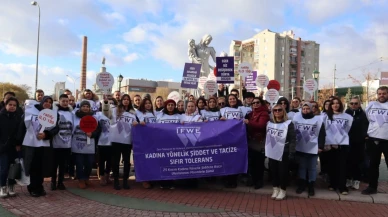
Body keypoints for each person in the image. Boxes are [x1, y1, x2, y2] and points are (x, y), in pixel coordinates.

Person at [18, 96, 58, 197]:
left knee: (42, 167)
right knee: (33, 166)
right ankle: (32, 188)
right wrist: (18, 142)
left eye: (50, 102)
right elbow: (21, 127)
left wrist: (46, 134)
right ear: (42, 102)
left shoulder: (53, 114)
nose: (48, 103)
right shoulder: (30, 111)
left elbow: (56, 129)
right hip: (30, 144)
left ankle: (39, 187)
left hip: (44, 145)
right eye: (46, 101)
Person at [294, 102, 325, 196]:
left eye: (307, 109)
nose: (305, 110)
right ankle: (302, 185)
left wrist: (320, 146)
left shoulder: (318, 119)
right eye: (303, 109)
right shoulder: (297, 119)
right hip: (301, 147)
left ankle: (311, 185)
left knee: (312, 168)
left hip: (313, 147)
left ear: (311, 109)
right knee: (302, 167)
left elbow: (322, 134)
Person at [323, 97, 353, 195]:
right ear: (330, 105)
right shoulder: (325, 116)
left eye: (337, 103)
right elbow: (323, 130)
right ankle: (332, 184)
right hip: (329, 145)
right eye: (333, 103)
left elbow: (347, 129)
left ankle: (342, 187)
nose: (335, 105)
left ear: (340, 105)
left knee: (342, 166)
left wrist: (339, 140)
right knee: (331, 166)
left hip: (342, 144)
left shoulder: (348, 117)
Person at [265, 104, 296, 200]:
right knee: (273, 171)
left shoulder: (289, 123)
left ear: (283, 111)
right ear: (273, 112)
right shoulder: (269, 123)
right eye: (275, 110)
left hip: (284, 151)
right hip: (272, 150)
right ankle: (275, 189)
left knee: (282, 172)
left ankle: (283, 190)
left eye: (279, 110)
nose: (277, 112)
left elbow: (292, 139)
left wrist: (291, 151)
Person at [362, 86, 388, 195]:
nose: (381, 95)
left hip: (387, 141)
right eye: (380, 93)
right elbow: (367, 118)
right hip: (373, 139)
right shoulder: (371, 105)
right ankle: (372, 187)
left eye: (384, 93)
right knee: (373, 164)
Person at [108, 94, 138, 190]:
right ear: (121, 101)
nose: (126, 101)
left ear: (130, 101)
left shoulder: (133, 113)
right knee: (115, 161)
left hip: (127, 140)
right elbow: (107, 115)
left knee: (127, 162)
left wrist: (136, 123)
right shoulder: (115, 110)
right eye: (124, 99)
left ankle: (125, 181)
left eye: (127, 99)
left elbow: (136, 124)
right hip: (116, 139)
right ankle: (116, 181)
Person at [72, 101, 100, 189]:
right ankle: (80, 179)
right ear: (80, 107)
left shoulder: (94, 118)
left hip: (89, 144)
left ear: (89, 108)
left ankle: (86, 177)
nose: (85, 108)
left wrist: (92, 134)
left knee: (89, 162)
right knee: (79, 163)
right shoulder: (75, 117)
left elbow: (98, 130)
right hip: (78, 143)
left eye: (87, 106)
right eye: (83, 106)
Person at [220, 94, 244, 188]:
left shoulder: (241, 109)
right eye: (230, 99)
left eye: (233, 98)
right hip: (226, 137)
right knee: (226, 159)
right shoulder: (223, 110)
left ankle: (234, 179)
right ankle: (226, 179)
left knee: (235, 159)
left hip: (237, 137)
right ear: (228, 100)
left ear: (236, 99)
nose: (232, 100)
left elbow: (244, 120)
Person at [245, 97, 269, 189]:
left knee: (259, 163)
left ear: (261, 103)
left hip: (259, 142)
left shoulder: (264, 114)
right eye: (253, 103)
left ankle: (259, 181)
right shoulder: (251, 114)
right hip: (251, 141)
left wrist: (249, 122)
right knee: (252, 163)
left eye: (257, 102)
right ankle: (254, 180)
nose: (255, 104)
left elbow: (261, 125)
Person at [156, 99, 181, 189]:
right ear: (166, 106)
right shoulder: (160, 116)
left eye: (172, 105)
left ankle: (172, 182)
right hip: (162, 143)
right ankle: (162, 182)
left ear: (175, 106)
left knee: (172, 163)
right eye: (168, 105)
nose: (170, 106)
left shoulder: (179, 117)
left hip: (174, 143)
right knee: (163, 162)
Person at [0, 97, 22, 197]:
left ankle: (11, 186)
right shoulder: (1, 116)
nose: (12, 107)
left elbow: (20, 133)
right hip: (3, 148)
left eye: (14, 105)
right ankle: (3, 187)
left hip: (15, 148)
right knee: (4, 169)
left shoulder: (19, 117)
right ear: (6, 105)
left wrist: (18, 144)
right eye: (10, 104)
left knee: (14, 168)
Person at [345, 96, 368, 190]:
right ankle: (348, 179)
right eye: (352, 103)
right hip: (347, 142)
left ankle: (356, 180)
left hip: (359, 143)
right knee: (348, 161)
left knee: (358, 162)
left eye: (356, 103)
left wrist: (364, 137)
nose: (353, 105)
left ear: (359, 104)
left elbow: (366, 128)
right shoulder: (346, 114)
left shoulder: (363, 115)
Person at [51, 94, 73, 191]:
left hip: (67, 143)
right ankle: (53, 181)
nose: (65, 103)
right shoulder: (55, 112)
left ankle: (60, 182)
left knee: (63, 164)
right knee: (54, 164)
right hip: (56, 142)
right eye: (63, 101)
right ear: (59, 101)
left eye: (66, 101)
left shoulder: (71, 113)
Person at [95, 100, 112, 186]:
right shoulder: (98, 115)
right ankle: (101, 176)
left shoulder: (114, 115)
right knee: (101, 161)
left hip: (112, 142)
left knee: (110, 161)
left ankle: (107, 175)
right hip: (101, 142)